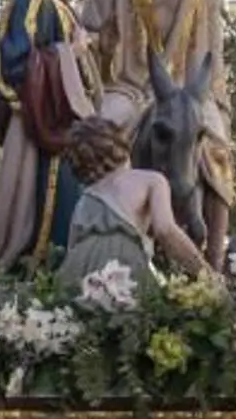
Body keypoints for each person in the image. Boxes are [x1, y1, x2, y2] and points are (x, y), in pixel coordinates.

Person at [82, 0, 233, 266]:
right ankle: (94, 241)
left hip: (187, 90)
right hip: (131, 87)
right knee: (100, 133)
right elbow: (87, 32)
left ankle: (217, 256)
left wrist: (215, 99)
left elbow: (213, 48)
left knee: (217, 147)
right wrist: (101, 47)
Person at [0, 0, 99, 269]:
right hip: (46, 124)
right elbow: (16, 65)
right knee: (46, 206)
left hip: (63, 121)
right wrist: (71, 51)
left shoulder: (52, 0)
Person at [53, 117, 211, 294]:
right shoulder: (151, 180)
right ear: (119, 142)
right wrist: (204, 272)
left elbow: (72, 245)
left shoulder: (84, 199)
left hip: (78, 268)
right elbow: (165, 230)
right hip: (122, 267)